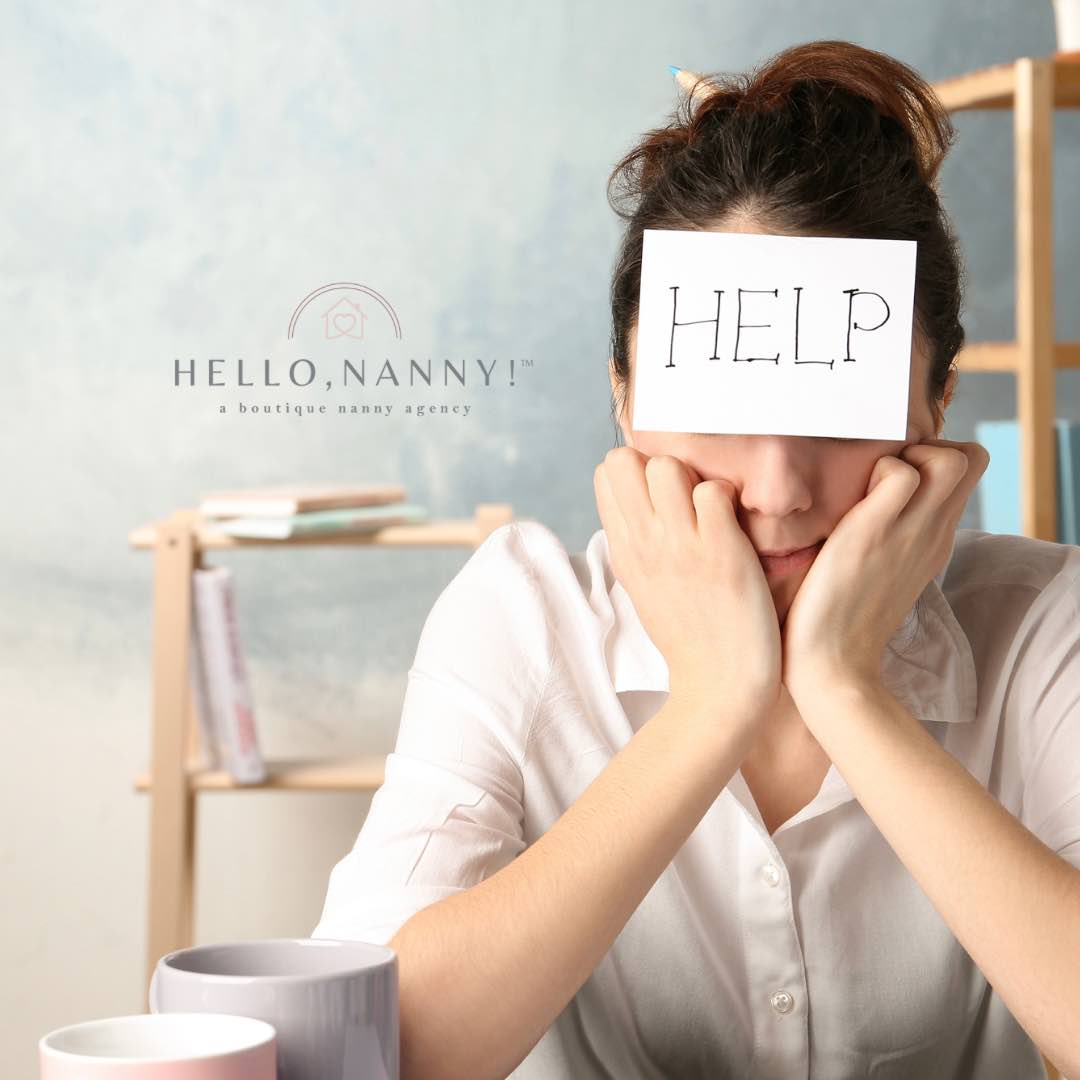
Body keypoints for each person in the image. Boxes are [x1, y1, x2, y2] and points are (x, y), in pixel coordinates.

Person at [312, 40, 1080, 1080]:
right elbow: (375, 1052)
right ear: (626, 396)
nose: (779, 490)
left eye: (838, 418)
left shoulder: (1044, 626)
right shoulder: (524, 617)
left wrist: (850, 693)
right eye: (722, 415)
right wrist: (712, 706)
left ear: (937, 407)